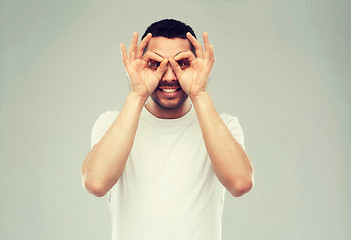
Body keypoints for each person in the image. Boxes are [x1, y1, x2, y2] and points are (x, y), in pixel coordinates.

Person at [81, 19, 254, 240]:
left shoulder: (224, 126)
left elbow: (240, 183)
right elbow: (95, 183)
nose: (170, 76)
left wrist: (199, 92)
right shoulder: (112, 124)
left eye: (181, 63)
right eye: (156, 63)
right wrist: (137, 93)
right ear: (141, 64)